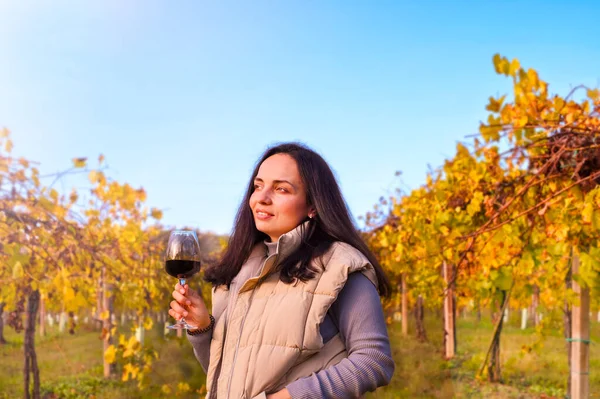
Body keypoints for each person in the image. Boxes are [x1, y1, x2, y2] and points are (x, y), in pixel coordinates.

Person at [169, 143, 395, 399]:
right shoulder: (239, 271)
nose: (262, 198)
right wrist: (201, 328)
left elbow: (374, 361)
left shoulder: (340, 264)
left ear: (313, 205)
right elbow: (227, 380)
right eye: (258, 186)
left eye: (281, 189)